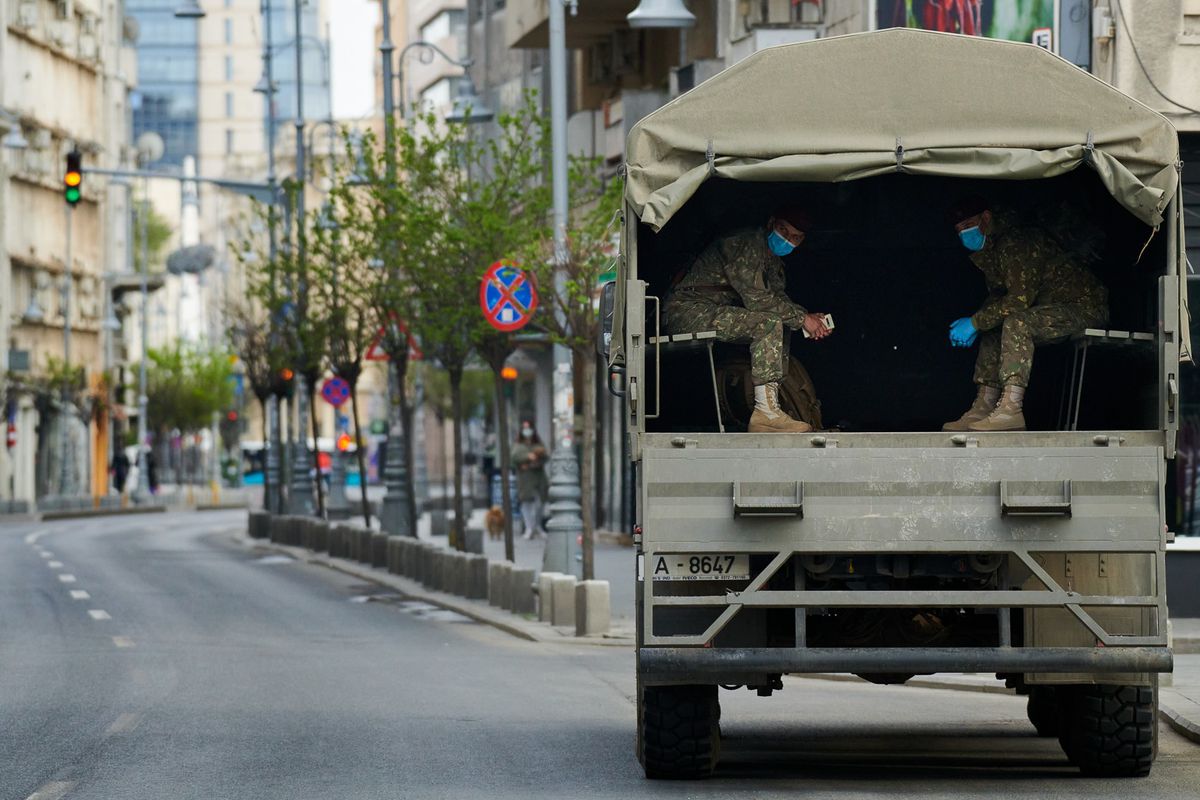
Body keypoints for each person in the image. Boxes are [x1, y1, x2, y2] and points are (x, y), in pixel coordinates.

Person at [943, 196, 1108, 432]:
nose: (964, 234)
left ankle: (1011, 409)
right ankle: (984, 406)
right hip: (1051, 308)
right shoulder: (994, 248)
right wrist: (979, 322)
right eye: (959, 230)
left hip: (1083, 307)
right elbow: (1000, 298)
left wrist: (975, 322)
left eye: (968, 225)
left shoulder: (1016, 242)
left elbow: (1018, 301)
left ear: (986, 218)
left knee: (1017, 322)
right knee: (993, 326)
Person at [664, 206, 833, 433]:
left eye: (795, 237)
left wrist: (810, 319)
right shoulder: (746, 245)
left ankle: (774, 406)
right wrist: (803, 319)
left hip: (711, 310)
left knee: (779, 324)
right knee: (767, 325)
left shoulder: (771, 259)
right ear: (771, 223)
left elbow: (777, 299)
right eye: (783, 230)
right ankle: (766, 413)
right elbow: (759, 301)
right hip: (687, 311)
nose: (787, 239)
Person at [511, 421, 548, 540]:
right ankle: (529, 528)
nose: (527, 432)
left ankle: (537, 526)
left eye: (529, 428)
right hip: (525, 479)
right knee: (526, 503)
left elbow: (545, 456)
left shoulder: (538, 443)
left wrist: (536, 459)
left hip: (538, 477)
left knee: (539, 503)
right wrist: (527, 457)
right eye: (525, 429)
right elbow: (514, 457)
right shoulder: (518, 445)